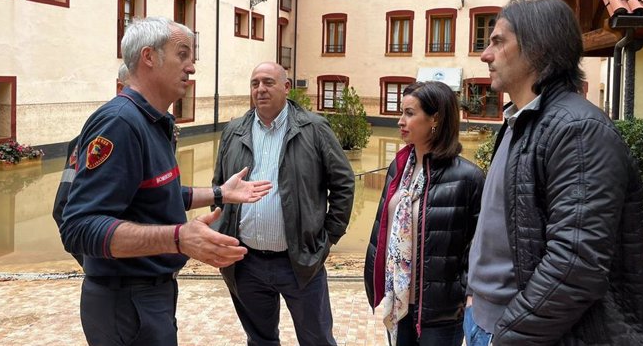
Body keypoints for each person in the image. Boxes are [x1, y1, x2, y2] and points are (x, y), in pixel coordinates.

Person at [59, 17, 272, 346]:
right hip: (125, 302)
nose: (192, 67)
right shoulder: (120, 123)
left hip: (148, 295)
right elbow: (78, 227)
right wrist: (179, 238)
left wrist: (220, 193)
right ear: (149, 57)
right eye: (183, 54)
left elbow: (155, 194)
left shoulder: (153, 122)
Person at [466, 0, 643, 345]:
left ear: (537, 50)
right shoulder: (521, 122)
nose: (485, 55)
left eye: (498, 42)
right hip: (486, 322)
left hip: (529, 335)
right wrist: (473, 297)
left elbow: (576, 266)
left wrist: (507, 335)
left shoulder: (578, 131)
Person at [212, 61, 356, 346]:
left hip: (301, 261)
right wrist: (221, 234)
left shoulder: (314, 128)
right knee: (260, 340)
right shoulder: (234, 130)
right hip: (246, 262)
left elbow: (343, 184)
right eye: (255, 83)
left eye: (268, 82)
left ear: (286, 87)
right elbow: (219, 188)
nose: (260, 89)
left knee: (317, 340)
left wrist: (327, 239)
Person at [364, 81, 485, 346]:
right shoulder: (399, 168)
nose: (400, 121)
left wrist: (467, 294)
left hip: (442, 312)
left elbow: (480, 247)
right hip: (399, 302)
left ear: (435, 119)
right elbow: (382, 229)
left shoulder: (468, 178)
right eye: (401, 112)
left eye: (409, 113)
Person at [52, 63, 131, 266]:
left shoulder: (158, 129)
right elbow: (63, 208)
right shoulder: (104, 133)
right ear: (120, 89)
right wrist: (96, 263)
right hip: (117, 276)